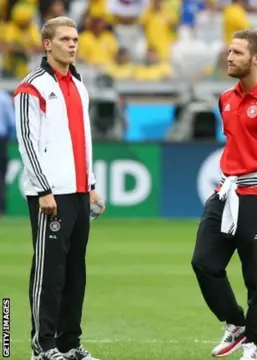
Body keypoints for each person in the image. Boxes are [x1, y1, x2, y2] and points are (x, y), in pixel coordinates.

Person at [190, 29, 257, 360]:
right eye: (229, 51)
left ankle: (255, 342)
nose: (229, 57)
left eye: (237, 52)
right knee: (204, 262)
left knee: (256, 275)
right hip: (227, 190)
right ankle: (236, 324)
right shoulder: (225, 98)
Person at [13, 16, 105, 360]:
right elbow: (27, 142)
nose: (72, 44)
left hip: (79, 192)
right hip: (50, 194)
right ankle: (43, 346)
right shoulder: (31, 87)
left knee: (75, 272)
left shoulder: (79, 85)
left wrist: (91, 184)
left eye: (76, 39)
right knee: (49, 272)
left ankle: (69, 343)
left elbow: (83, 140)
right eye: (65, 39)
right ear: (47, 44)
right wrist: (43, 190)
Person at [0, 90, 14, 218]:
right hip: (1, 140)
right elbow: (12, 122)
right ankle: (1, 210)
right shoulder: (4, 98)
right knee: (1, 176)